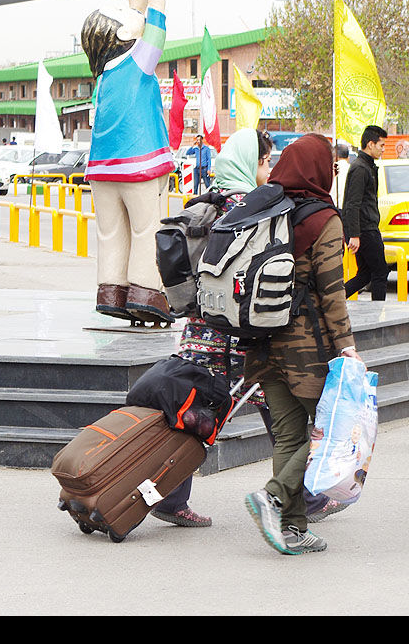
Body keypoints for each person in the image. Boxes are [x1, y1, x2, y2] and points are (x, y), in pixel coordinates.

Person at [243, 134, 361, 555]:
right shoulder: (323, 219)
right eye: (328, 165)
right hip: (306, 346)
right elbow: (332, 291)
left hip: (261, 340)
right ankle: (273, 496)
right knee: (326, 434)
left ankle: (291, 528)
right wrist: (346, 346)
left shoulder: (264, 208)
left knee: (289, 436)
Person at [150, 127, 272, 528]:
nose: (268, 170)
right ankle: (303, 493)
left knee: (193, 413)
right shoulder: (251, 209)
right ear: (249, 163)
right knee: (279, 408)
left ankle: (169, 497)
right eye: (264, 161)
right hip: (235, 337)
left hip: (198, 330)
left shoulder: (204, 204)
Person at [81, 0, 174, 324]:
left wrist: (139, 3)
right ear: (122, 35)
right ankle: (146, 292)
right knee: (145, 228)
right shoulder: (137, 63)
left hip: (102, 169)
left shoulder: (104, 75)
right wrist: (158, 3)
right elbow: (155, 37)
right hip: (139, 163)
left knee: (111, 231)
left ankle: (112, 289)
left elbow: (133, 29)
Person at [343, 124, 389, 301]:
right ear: (370, 144)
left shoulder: (366, 166)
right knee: (380, 273)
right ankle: (379, 316)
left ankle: (333, 302)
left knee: (365, 274)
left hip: (364, 228)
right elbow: (352, 203)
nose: (383, 149)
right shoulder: (361, 168)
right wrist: (354, 234)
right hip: (365, 230)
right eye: (381, 145)